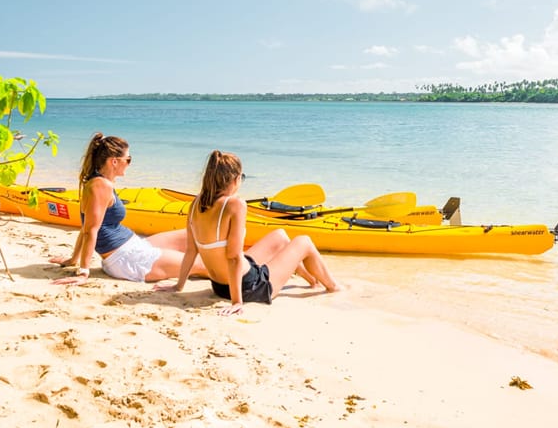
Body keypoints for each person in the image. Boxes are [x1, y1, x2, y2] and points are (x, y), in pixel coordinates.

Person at [155, 150, 341, 315]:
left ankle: (312, 281)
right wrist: (237, 302)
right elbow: (234, 257)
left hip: (219, 286)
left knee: (280, 236)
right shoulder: (235, 205)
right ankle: (334, 287)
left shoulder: (196, 204)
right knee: (304, 241)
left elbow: (191, 251)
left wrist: (178, 286)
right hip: (249, 287)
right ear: (235, 179)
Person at [50, 133, 209, 286]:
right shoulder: (100, 186)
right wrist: (83, 272)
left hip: (134, 247)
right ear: (114, 161)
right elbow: (90, 230)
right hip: (128, 260)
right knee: (204, 266)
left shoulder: (100, 182)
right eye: (128, 159)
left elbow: (86, 226)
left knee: (193, 234)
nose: (129, 163)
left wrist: (73, 259)